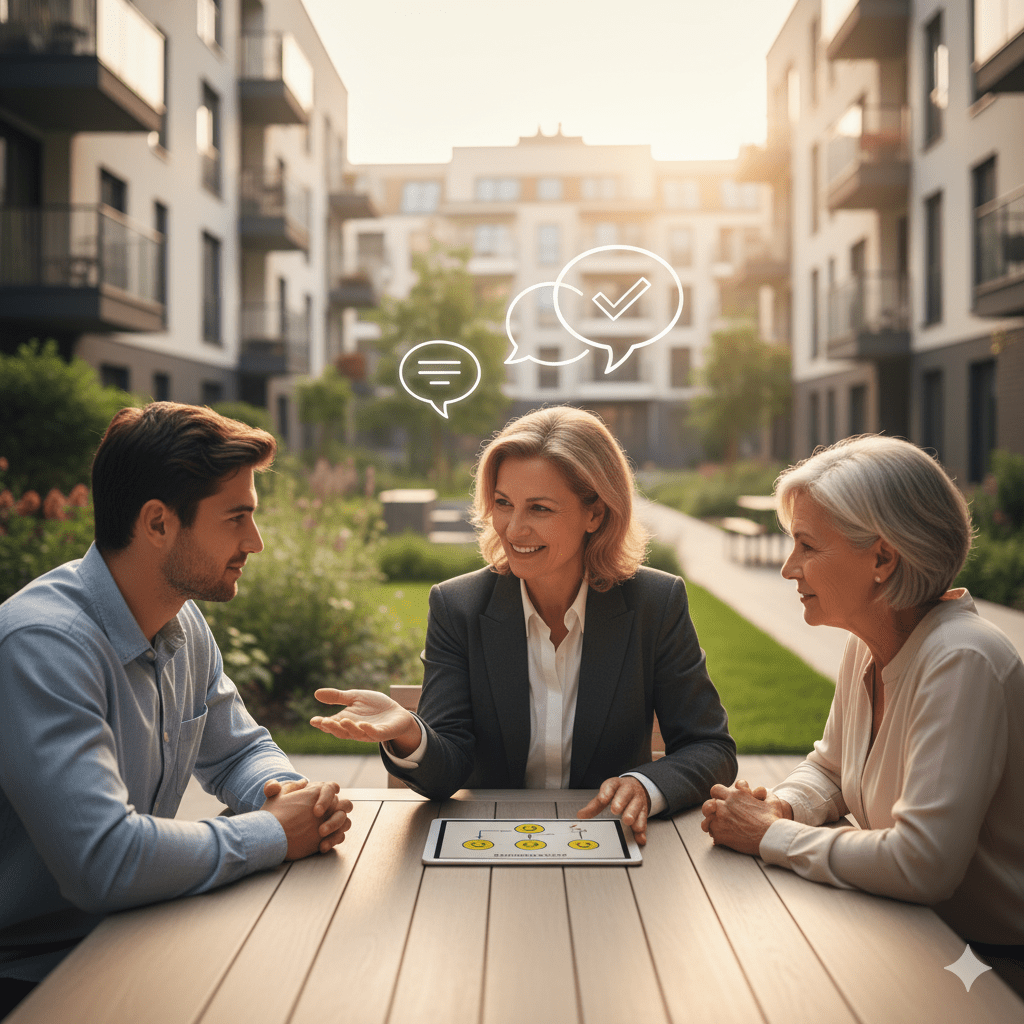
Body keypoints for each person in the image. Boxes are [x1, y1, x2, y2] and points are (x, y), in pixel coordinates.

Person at [0, 402, 353, 1017]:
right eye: (236, 518)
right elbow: (103, 863)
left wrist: (290, 796)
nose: (256, 542)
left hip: (130, 932)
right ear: (158, 523)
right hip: (32, 970)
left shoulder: (179, 618)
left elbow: (239, 749)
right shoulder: (43, 645)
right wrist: (272, 831)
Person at [310, 406, 737, 844]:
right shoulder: (457, 607)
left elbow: (711, 749)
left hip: (610, 841)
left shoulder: (655, 603)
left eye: (540, 508)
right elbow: (446, 769)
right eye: (503, 503)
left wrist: (646, 787)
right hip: (490, 846)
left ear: (596, 514)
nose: (514, 529)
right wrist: (408, 732)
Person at [700, 435, 1024, 996]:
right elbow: (829, 770)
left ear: (881, 558)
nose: (787, 569)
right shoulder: (870, 644)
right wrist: (783, 803)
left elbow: (922, 863)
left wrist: (771, 834)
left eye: (806, 546)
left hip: (986, 972)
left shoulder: (962, 660)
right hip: (914, 934)